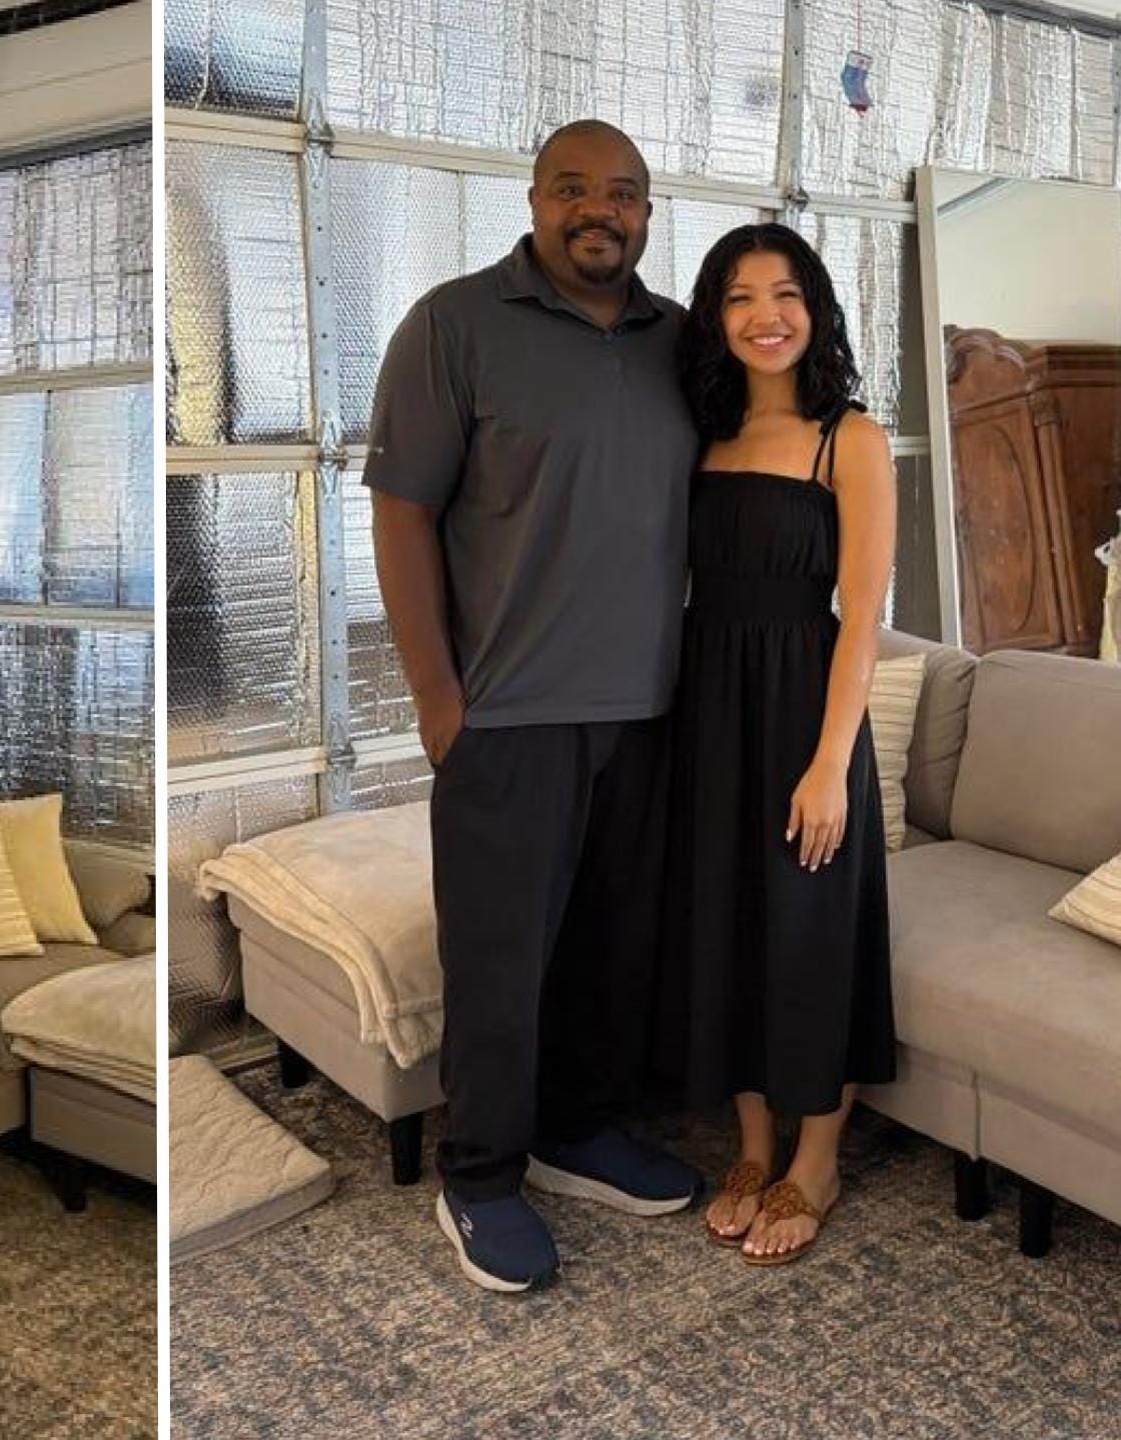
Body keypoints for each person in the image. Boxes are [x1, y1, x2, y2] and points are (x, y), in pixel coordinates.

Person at [365, 119, 703, 1293]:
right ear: (535, 199)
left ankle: (579, 1129)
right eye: (574, 189)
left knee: (614, 950)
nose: (598, 211)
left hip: (648, 710)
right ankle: (483, 1174)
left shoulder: (681, 344)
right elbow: (402, 512)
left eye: (623, 194)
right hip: (506, 717)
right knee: (502, 968)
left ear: (649, 215)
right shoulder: (454, 326)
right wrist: (436, 701)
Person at [663, 223, 898, 1264]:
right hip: (709, 707)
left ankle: (817, 1159)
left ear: (818, 308)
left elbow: (863, 613)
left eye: (788, 293)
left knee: (811, 926)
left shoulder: (850, 438)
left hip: (810, 707)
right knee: (727, 921)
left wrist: (828, 762)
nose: (768, 316)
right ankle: (753, 1144)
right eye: (742, 297)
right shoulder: (696, 433)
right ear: (716, 317)